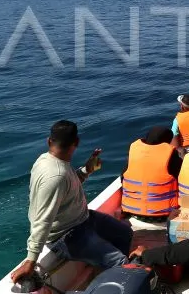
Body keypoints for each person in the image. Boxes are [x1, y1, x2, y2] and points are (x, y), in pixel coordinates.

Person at [11, 120, 133, 284]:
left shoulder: (47, 160)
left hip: (84, 219)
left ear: (49, 141)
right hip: (66, 236)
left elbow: (67, 188)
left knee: (125, 233)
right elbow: (43, 220)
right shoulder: (56, 176)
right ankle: (116, 284)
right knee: (121, 261)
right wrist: (30, 261)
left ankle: (109, 273)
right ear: (77, 142)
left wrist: (86, 170)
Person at [120, 126, 182, 220]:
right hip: (163, 216)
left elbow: (122, 178)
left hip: (133, 213)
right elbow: (182, 178)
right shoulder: (171, 155)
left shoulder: (134, 150)